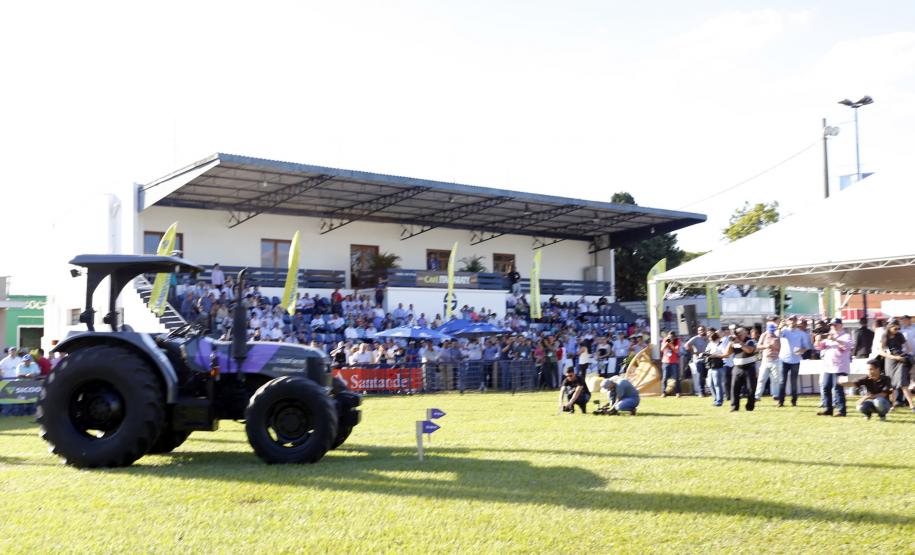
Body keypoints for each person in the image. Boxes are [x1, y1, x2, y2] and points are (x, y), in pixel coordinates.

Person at [815, 318, 852, 417]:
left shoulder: (846, 336)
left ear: (841, 325)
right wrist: (818, 340)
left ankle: (841, 410)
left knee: (838, 388)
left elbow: (847, 346)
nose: (833, 327)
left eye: (835, 325)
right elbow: (819, 347)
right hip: (828, 367)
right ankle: (828, 409)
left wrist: (835, 339)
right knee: (826, 387)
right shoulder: (829, 337)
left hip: (840, 367)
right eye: (832, 325)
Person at [879, 319, 914, 412]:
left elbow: (908, 347)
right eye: (895, 328)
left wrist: (905, 354)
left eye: (899, 328)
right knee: (892, 385)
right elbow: (881, 352)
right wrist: (894, 357)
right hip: (890, 361)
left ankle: (912, 406)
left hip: (901, 361)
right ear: (890, 327)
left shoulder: (899, 335)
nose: (897, 330)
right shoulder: (885, 336)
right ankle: (892, 406)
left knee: (903, 384)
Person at [776, 315, 811, 408]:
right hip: (783, 359)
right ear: (788, 321)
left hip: (795, 360)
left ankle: (794, 400)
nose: (792, 321)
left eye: (794, 320)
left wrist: (801, 351)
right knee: (782, 381)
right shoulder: (784, 331)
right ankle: (781, 401)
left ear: (797, 321)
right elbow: (777, 335)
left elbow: (806, 347)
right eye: (791, 320)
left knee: (794, 381)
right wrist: (779, 327)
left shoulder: (801, 333)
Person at [725, 327, 757, 412]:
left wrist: (740, 342)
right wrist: (731, 342)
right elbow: (727, 353)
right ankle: (734, 407)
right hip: (737, 368)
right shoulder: (734, 341)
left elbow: (749, 350)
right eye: (738, 333)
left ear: (745, 333)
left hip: (749, 367)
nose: (739, 335)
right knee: (734, 388)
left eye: (741, 333)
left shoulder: (750, 341)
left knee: (751, 388)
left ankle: (750, 407)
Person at [754, 321, 781, 402]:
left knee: (775, 379)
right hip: (765, 360)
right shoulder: (764, 335)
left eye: (773, 330)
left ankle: (775, 395)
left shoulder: (777, 336)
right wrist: (766, 346)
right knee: (761, 379)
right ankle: (757, 396)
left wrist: (775, 346)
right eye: (770, 330)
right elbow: (758, 346)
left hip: (775, 360)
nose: (771, 332)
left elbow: (780, 348)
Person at [704, 331, 727, 407]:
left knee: (717, 384)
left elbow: (725, 354)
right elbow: (706, 352)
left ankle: (719, 401)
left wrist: (714, 355)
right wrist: (705, 355)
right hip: (710, 366)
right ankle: (715, 399)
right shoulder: (710, 344)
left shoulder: (721, 344)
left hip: (718, 366)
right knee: (710, 384)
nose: (710, 338)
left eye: (711, 337)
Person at [685, 326, 709, 397]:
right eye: (700, 330)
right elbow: (686, 345)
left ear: (705, 330)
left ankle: (707, 390)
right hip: (699, 360)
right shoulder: (696, 338)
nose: (701, 331)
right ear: (698, 331)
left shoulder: (708, 338)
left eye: (703, 330)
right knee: (701, 376)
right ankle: (701, 392)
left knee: (707, 376)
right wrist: (693, 352)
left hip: (708, 359)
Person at [659, 331, 680, 397]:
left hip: (674, 362)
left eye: (672, 337)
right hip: (665, 362)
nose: (671, 338)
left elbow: (676, 351)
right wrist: (667, 342)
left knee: (676, 378)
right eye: (669, 336)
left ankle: (677, 392)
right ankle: (664, 392)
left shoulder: (677, 341)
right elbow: (662, 349)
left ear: (674, 337)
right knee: (665, 378)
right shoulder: (665, 340)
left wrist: (671, 344)